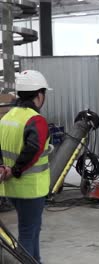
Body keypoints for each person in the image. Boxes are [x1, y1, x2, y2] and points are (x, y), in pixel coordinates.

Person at [0, 70, 52, 263]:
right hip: (31, 189)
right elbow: (34, 149)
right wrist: (16, 169)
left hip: (11, 188)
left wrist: (5, 168)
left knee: (32, 228)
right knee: (28, 234)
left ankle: (35, 260)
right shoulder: (36, 120)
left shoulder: (7, 118)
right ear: (39, 95)